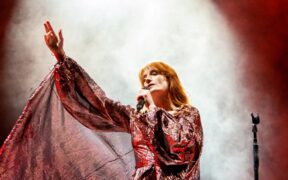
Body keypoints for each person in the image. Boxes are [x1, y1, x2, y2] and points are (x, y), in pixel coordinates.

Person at [0, 21, 203, 180]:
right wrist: (61, 57)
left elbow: (179, 150)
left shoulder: (189, 114)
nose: (147, 79)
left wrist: (151, 108)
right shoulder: (136, 117)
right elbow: (98, 104)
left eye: (154, 73)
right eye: (144, 77)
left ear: (170, 79)